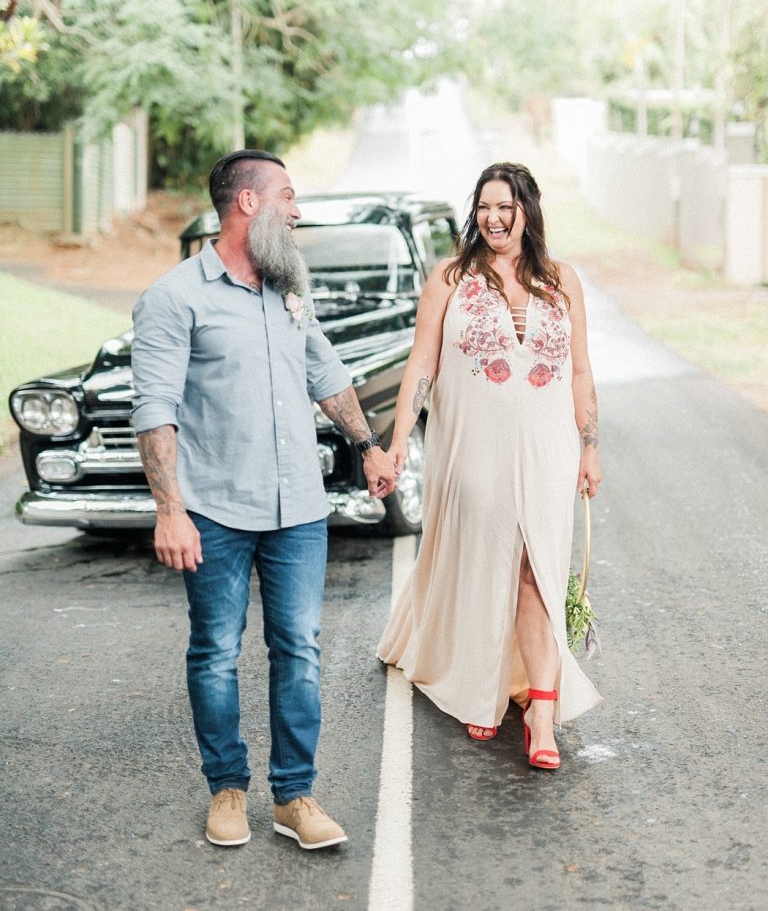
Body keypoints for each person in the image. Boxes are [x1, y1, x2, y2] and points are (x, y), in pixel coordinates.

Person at [131, 150, 396, 848]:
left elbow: (325, 371)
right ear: (246, 204)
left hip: (299, 510)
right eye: (287, 195)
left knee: (299, 650)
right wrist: (170, 508)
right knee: (216, 650)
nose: (297, 209)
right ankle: (226, 789)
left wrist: (366, 444)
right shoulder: (174, 297)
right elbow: (154, 408)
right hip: (215, 508)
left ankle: (295, 797)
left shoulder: (288, 289)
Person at [377, 161, 602, 769]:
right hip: (474, 445)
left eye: (506, 206)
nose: (494, 218)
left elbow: (579, 371)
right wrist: (400, 443)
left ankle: (541, 711)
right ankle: (477, 681)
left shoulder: (562, 281)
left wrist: (590, 444)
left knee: (537, 567)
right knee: (486, 561)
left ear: (528, 210)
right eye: (484, 207)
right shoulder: (451, 279)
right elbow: (422, 365)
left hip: (548, 448)